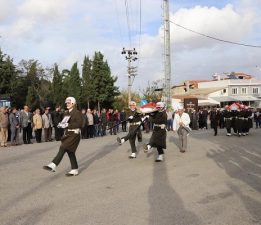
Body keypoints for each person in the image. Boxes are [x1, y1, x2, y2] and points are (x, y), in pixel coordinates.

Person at [43, 97, 83, 176]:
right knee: (70, 152)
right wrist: (61, 124)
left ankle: (53, 165)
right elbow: (64, 122)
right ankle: (74, 169)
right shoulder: (66, 113)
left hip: (74, 134)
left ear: (73, 103)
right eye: (66, 103)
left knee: (63, 147)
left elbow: (80, 124)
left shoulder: (77, 112)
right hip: (68, 134)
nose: (67, 104)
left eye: (69, 103)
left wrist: (68, 125)